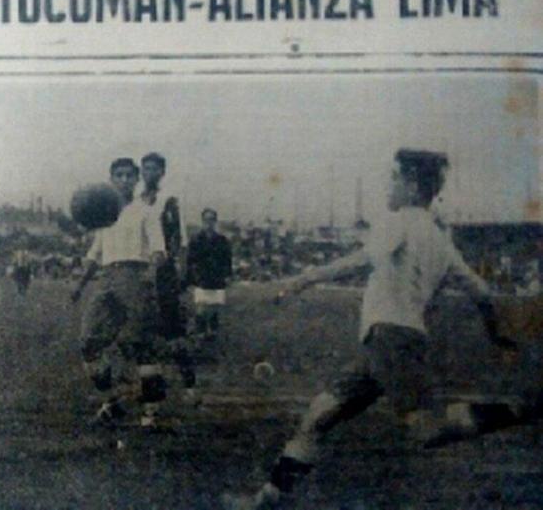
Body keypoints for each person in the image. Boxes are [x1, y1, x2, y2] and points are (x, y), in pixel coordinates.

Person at [225, 149, 518, 509]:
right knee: (317, 417)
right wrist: (495, 333)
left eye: (394, 177)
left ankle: (520, 409)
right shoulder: (441, 241)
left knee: (428, 431)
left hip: (392, 341)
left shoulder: (400, 222)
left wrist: (305, 278)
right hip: (382, 345)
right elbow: (483, 294)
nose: (388, 184)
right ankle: (265, 501)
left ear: (411, 186)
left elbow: (364, 259)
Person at [71, 157, 166, 431]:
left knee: (140, 345)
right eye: (119, 176)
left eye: (129, 176)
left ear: (136, 180)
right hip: (107, 279)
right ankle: (113, 402)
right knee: (89, 341)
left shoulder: (146, 212)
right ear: (111, 180)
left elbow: (159, 252)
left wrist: (149, 278)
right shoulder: (103, 215)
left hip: (135, 276)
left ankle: (150, 410)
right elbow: (94, 254)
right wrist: (78, 286)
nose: (124, 180)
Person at [139, 152, 196, 413]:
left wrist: (179, 271)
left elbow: (180, 240)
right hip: (140, 271)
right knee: (145, 331)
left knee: (173, 331)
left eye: (153, 168)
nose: (148, 173)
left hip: (164, 272)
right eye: (145, 168)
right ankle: (153, 395)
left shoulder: (168, 200)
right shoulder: (135, 202)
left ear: (162, 172)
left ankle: (189, 384)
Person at [186, 208, 233, 341]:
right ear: (202, 221)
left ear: (215, 221)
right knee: (201, 307)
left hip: (217, 277)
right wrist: (190, 279)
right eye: (206, 219)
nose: (209, 222)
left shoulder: (222, 240)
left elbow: (227, 259)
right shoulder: (196, 240)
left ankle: (212, 331)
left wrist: (227, 275)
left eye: (212, 219)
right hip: (201, 278)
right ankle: (200, 331)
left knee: (214, 306)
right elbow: (190, 261)